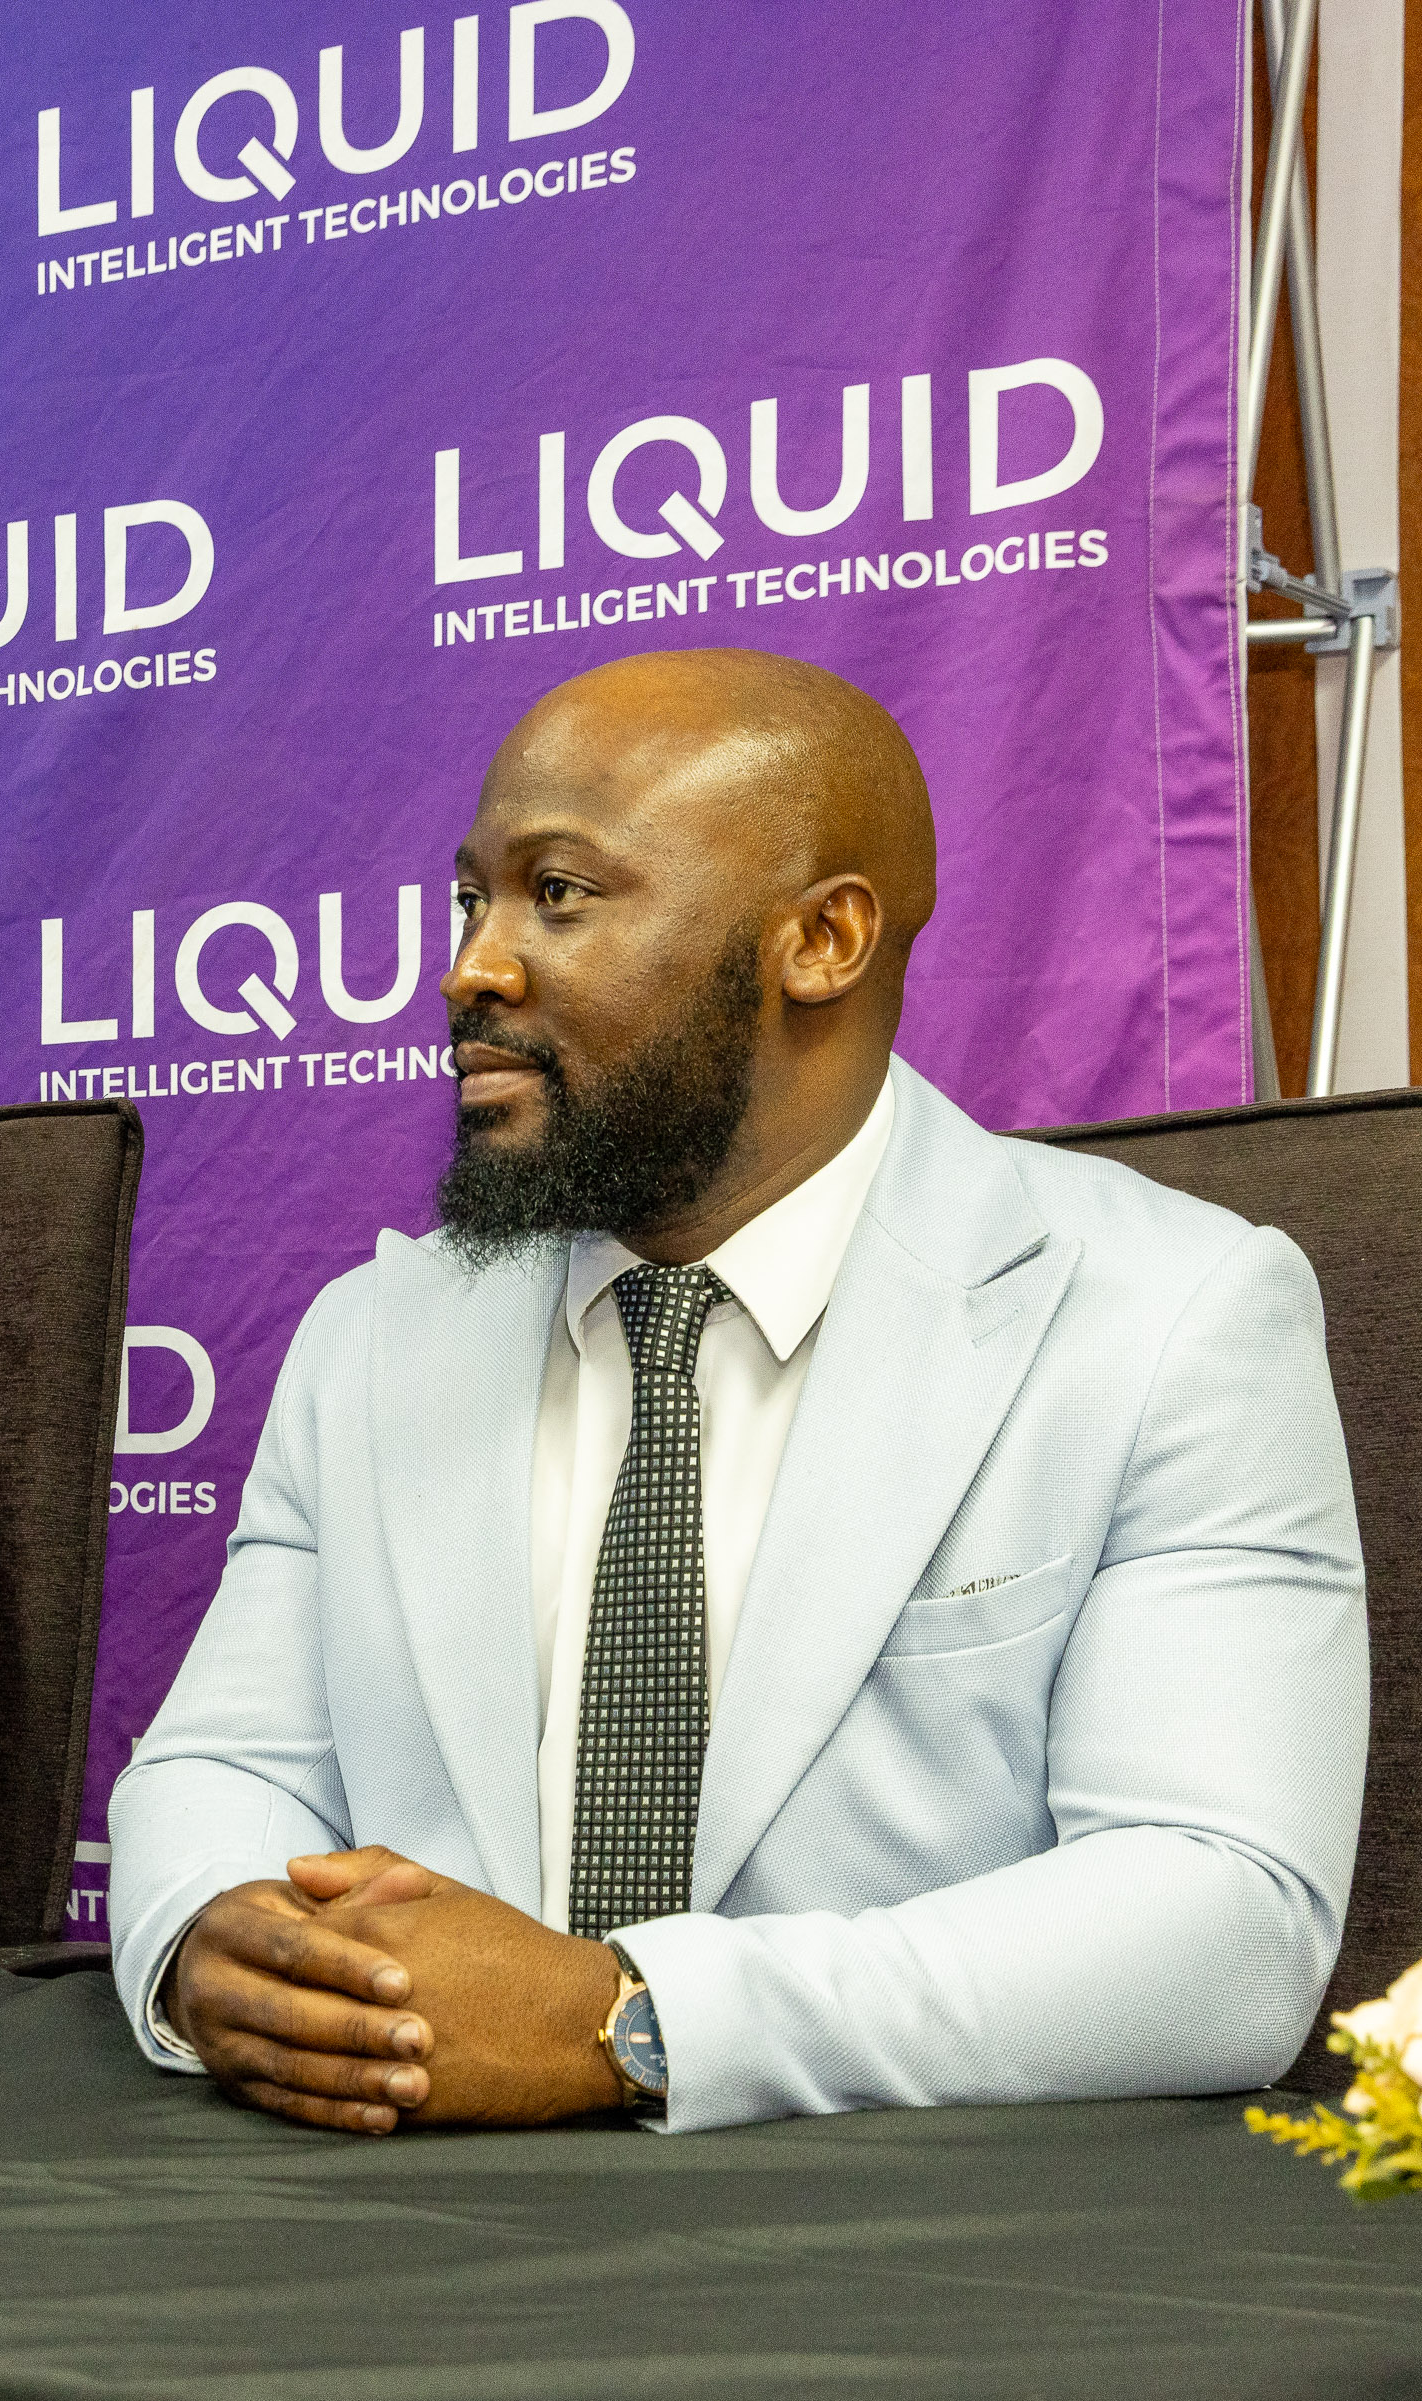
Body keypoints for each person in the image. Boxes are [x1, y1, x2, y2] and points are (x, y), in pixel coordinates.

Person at [110, 648, 1369, 2134]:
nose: (471, 968)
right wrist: (221, 1944)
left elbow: (1225, 1919)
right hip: (405, 2189)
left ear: (822, 940)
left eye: (557, 894)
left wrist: (629, 2022)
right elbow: (224, 1765)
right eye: (470, 900)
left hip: (910, 2227)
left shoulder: (1172, 1318)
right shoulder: (374, 1337)